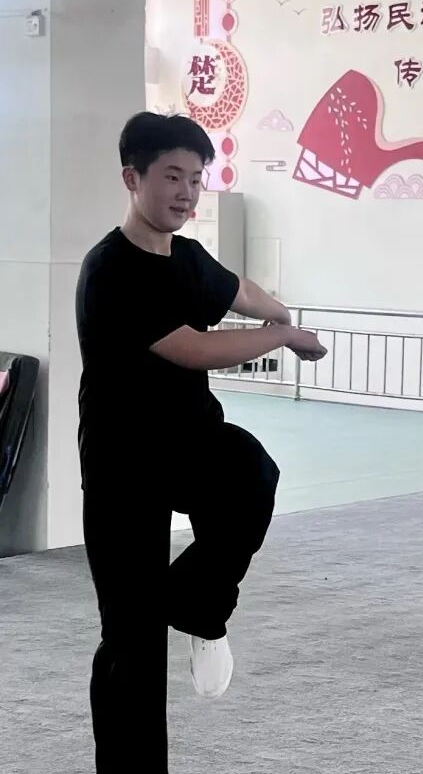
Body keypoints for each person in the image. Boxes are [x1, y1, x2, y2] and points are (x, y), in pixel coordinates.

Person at [76, 111, 327, 773]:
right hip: (123, 461)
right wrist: (282, 337)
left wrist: (279, 313)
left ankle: (196, 605)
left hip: (189, 439)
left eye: (196, 178)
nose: (186, 193)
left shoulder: (186, 257)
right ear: (132, 178)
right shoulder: (110, 269)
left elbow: (237, 290)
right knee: (129, 642)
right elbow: (191, 348)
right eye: (172, 177)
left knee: (251, 471)